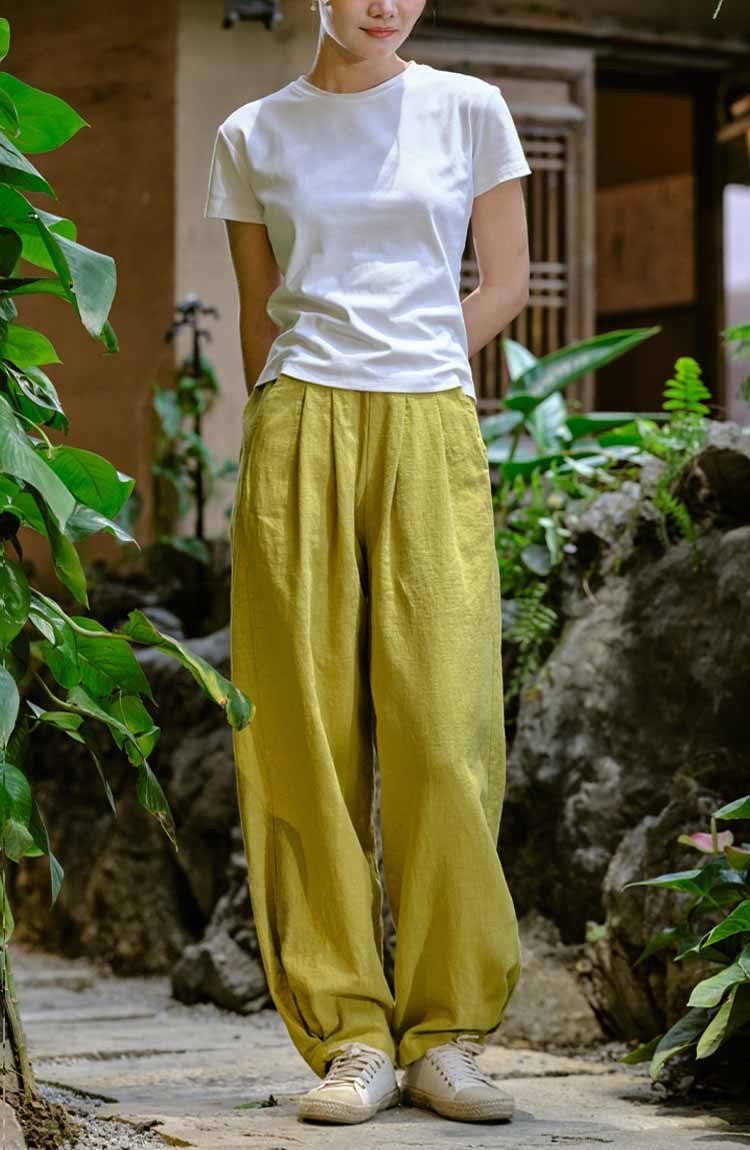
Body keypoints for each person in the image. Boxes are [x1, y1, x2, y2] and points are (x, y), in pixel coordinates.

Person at [203, 0, 531, 1128]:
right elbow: (258, 313)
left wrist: (418, 352)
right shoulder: (252, 132)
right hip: (299, 424)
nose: (386, 4)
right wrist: (282, 416)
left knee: (446, 731)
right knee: (302, 737)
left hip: (429, 419)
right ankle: (349, 1034)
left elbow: (504, 282)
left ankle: (447, 1035)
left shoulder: (469, 109)